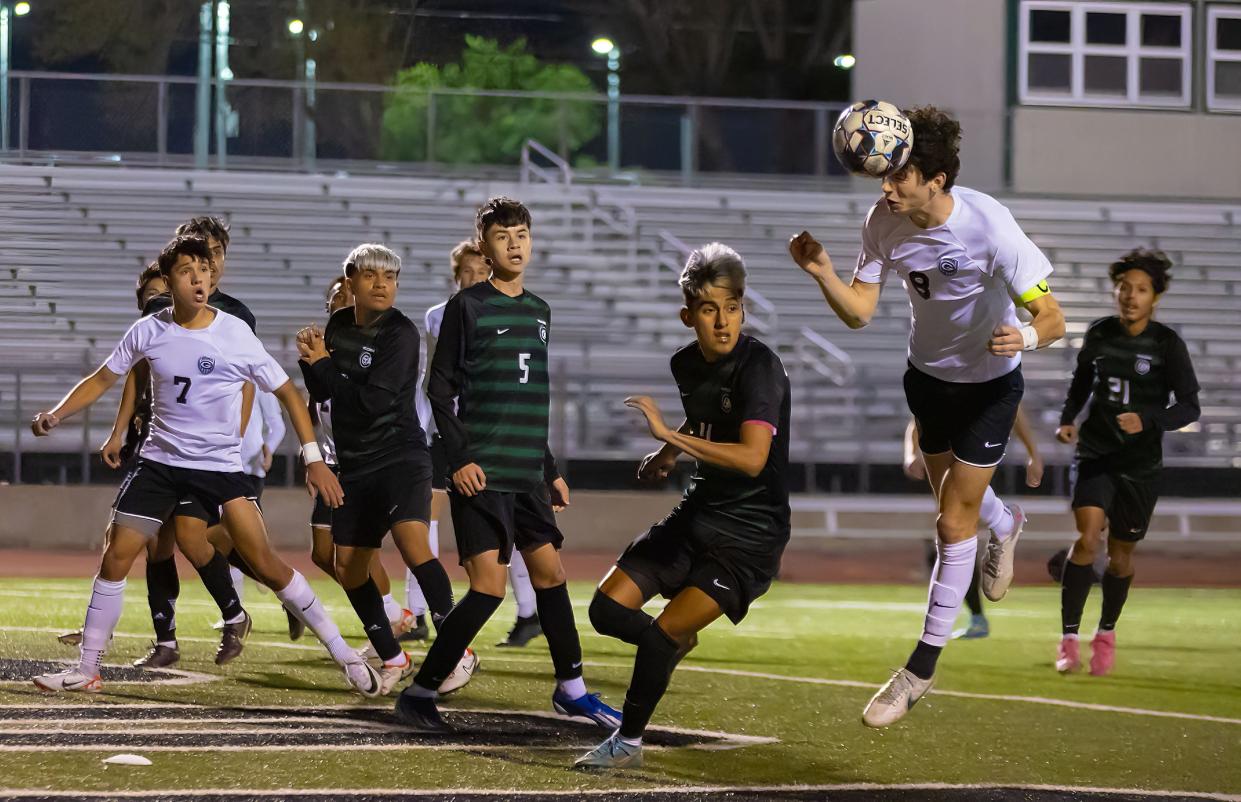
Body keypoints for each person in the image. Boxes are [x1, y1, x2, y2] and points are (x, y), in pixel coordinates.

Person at [787, 106, 1065, 727]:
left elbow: (1054, 319)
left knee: (951, 520)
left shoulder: (990, 225)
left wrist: (1023, 336)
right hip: (928, 382)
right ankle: (1009, 519)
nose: (887, 186)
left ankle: (920, 668)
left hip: (990, 390)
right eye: (885, 176)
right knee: (955, 508)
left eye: (900, 176)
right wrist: (823, 272)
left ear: (937, 178)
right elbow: (860, 312)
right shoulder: (882, 222)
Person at [30, 235, 379, 695]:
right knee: (115, 556)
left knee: (268, 565)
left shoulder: (234, 333)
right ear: (168, 281)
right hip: (158, 463)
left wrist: (314, 460)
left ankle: (347, 656)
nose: (197, 278)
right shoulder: (148, 330)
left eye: (204, 270)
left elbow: (289, 394)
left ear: (212, 279)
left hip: (217, 469)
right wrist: (56, 413)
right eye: (185, 271)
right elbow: (103, 378)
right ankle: (87, 669)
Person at [394, 196, 619, 731]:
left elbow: (531, 398)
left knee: (551, 574)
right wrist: (459, 459)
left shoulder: (540, 311)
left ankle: (572, 690)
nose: (514, 244)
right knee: (489, 590)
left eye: (521, 234)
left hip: (526, 474)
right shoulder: (466, 307)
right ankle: (420, 694)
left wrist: (550, 467)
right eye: (503, 236)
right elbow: (439, 388)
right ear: (485, 246)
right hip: (483, 473)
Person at [576, 243, 790, 770]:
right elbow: (704, 417)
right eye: (711, 309)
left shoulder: (759, 366)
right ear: (688, 315)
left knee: (664, 636)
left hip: (748, 535)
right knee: (606, 610)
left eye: (733, 306)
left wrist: (669, 434)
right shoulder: (684, 364)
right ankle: (665, 646)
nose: (724, 321)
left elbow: (753, 458)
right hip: (696, 516)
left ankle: (627, 741)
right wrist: (667, 453)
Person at [298, 244, 464, 696]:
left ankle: (459, 649)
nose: (381, 285)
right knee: (348, 567)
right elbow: (323, 393)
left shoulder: (402, 333)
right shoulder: (336, 326)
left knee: (413, 544)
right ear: (349, 279)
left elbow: (373, 402)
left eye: (389, 278)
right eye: (371, 276)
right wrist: (310, 362)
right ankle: (393, 656)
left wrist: (325, 366)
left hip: (400, 456)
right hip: (354, 465)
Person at [1053, 249, 1199, 676]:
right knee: (1088, 537)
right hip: (1096, 452)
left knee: (1120, 557)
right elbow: (1081, 382)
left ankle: (1106, 633)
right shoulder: (1099, 334)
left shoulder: (1167, 344)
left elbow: (1189, 407)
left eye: (1141, 289)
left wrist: (1149, 419)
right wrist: (1068, 419)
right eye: (1124, 287)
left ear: (1155, 297)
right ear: (1115, 291)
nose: (1131, 296)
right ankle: (1068, 639)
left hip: (1139, 466)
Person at [408, 239, 542, 648]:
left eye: (481, 271)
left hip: (485, 432)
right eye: (467, 272)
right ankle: (419, 609)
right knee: (423, 515)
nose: (475, 278)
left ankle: (529, 610)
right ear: (456, 275)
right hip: (443, 428)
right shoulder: (443, 314)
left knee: (510, 523)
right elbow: (437, 378)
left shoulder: (504, 310)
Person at [306, 276, 415, 646]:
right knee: (323, 554)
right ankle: (389, 612)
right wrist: (314, 458)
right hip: (333, 461)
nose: (345, 299)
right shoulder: (326, 349)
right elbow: (314, 404)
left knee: (356, 553)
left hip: (361, 463)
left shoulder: (375, 347)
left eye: (349, 294)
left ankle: (389, 613)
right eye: (338, 296)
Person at [904, 404, 1044, 639]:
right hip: (946, 457)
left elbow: (1014, 409)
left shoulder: (988, 376)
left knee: (954, 540)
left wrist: (1033, 455)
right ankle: (973, 618)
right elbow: (916, 420)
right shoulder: (938, 378)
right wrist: (911, 453)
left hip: (975, 457)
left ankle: (1002, 525)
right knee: (947, 541)